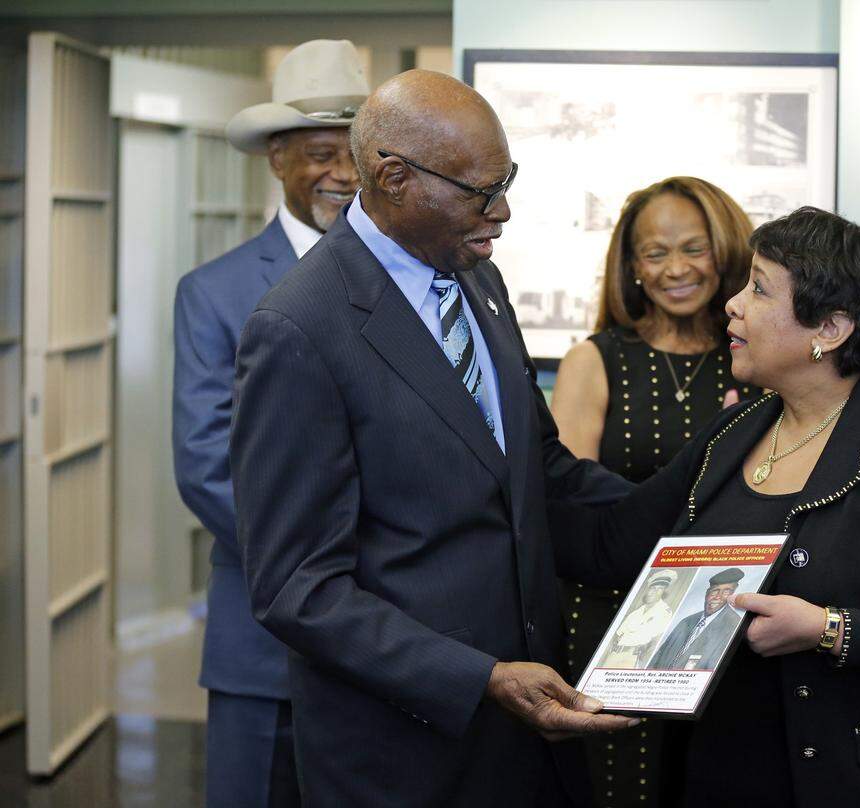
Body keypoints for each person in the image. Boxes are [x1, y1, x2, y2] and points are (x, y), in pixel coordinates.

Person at [228, 69, 640, 808]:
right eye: (482, 191)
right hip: (401, 759)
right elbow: (298, 588)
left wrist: (706, 511)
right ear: (393, 179)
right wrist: (480, 678)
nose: (504, 211)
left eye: (506, 181)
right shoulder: (297, 329)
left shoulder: (478, 280)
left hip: (525, 742)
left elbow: (538, 476)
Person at [556, 206, 860, 807]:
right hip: (722, 776)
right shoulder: (734, 434)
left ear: (828, 330)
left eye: (759, 289)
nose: (734, 304)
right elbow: (609, 546)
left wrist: (830, 629)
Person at [171, 39, 364, 808]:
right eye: (322, 154)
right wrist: (335, 575)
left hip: (403, 640)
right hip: (267, 634)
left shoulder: (430, 284)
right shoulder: (214, 294)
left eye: (358, 153)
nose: (344, 175)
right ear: (277, 159)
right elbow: (206, 464)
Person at [550, 176, 755, 805]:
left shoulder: (758, 358)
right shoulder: (595, 358)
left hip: (730, 616)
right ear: (631, 266)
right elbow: (568, 506)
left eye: (694, 249)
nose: (676, 269)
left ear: (726, 253)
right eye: (655, 253)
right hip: (611, 620)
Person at [648, 568, 743, 670]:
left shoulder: (733, 626)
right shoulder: (686, 622)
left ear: (732, 595)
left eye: (726, 592)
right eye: (715, 591)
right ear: (707, 593)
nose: (718, 597)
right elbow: (657, 657)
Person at [601, 569, 676, 668]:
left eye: (660, 589)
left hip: (633, 657)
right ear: (648, 589)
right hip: (615, 654)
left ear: (663, 592)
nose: (655, 591)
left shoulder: (664, 612)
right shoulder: (636, 612)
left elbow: (656, 640)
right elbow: (619, 634)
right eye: (653, 588)